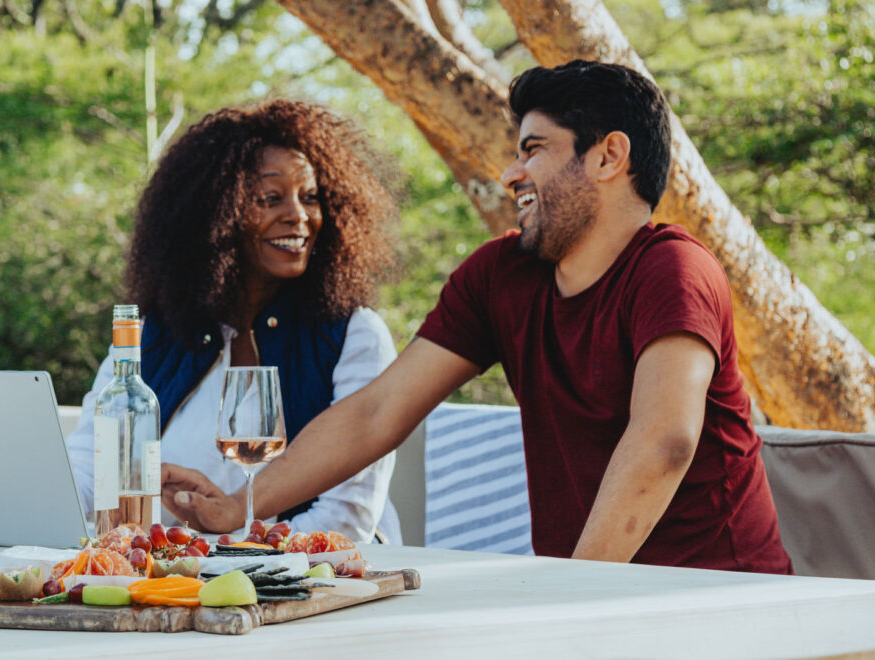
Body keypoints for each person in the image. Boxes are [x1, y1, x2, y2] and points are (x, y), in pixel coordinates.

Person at [162, 61, 793, 573]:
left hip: (718, 604)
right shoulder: (501, 276)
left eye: (534, 149)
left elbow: (664, 441)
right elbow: (377, 413)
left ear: (608, 157)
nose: (510, 171)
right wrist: (240, 508)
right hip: (593, 600)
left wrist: (571, 606)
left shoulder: (674, 270)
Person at [66, 99, 403, 543]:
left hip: (321, 583)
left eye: (311, 197)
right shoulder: (154, 333)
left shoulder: (353, 335)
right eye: (270, 198)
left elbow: (346, 521)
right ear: (215, 213)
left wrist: (215, 550)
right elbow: (92, 465)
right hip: (179, 579)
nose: (299, 216)